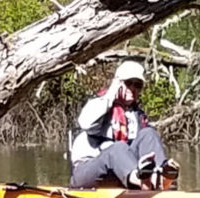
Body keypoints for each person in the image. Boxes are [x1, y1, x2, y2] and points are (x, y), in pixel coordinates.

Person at [68, 61, 179, 190]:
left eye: (137, 85)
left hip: (121, 173)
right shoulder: (99, 104)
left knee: (149, 133)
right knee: (117, 148)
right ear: (118, 83)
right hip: (89, 170)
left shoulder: (137, 116)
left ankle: (159, 178)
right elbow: (86, 123)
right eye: (128, 83)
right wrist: (111, 94)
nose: (133, 88)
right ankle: (140, 180)